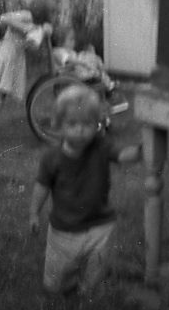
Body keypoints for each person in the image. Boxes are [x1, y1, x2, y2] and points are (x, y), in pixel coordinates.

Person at [29, 84, 142, 297]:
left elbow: (122, 155)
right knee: (57, 280)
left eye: (87, 124)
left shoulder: (101, 146)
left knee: (97, 269)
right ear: (59, 125)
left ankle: (88, 291)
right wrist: (34, 212)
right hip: (65, 228)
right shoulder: (52, 159)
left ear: (97, 125)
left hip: (100, 223)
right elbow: (41, 186)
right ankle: (61, 289)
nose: (80, 129)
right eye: (72, 124)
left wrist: (140, 151)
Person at [0, 8, 52, 151]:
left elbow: (31, 45)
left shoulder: (33, 27)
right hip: (5, 60)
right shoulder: (27, 16)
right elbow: (3, 19)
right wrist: (29, 28)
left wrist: (40, 32)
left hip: (2, 59)